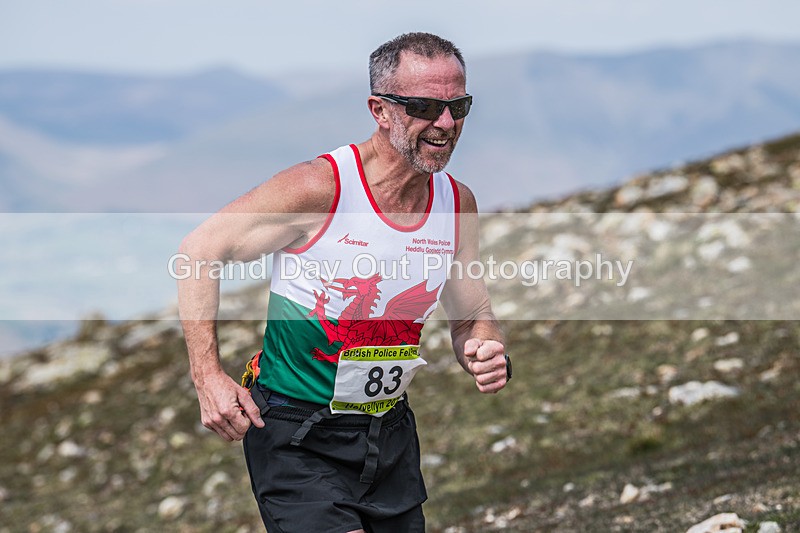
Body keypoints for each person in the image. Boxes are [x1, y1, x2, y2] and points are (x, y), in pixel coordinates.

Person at [178, 32, 510, 533]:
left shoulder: (456, 203)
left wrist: (483, 347)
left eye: (457, 106)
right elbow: (199, 251)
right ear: (380, 109)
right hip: (296, 435)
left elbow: (469, 314)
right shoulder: (322, 187)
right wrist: (207, 377)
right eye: (423, 107)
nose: (445, 124)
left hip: (388, 435)